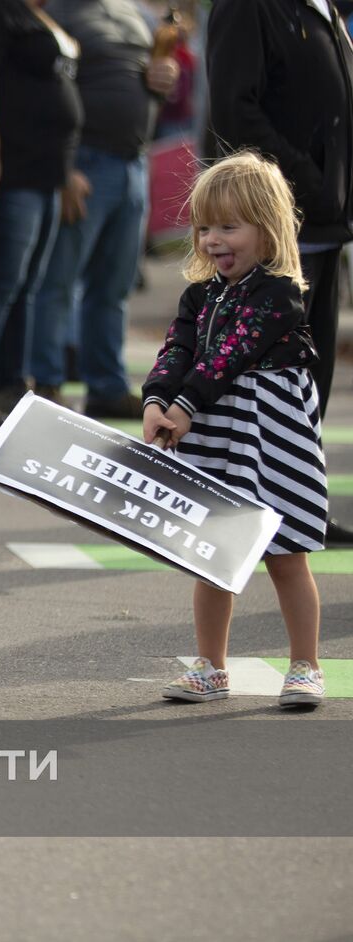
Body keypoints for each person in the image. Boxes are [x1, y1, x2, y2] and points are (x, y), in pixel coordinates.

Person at [141, 153, 326, 708]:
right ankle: (211, 667)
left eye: (228, 226)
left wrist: (185, 406)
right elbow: (179, 349)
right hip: (218, 434)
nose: (213, 240)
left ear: (267, 230)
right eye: (203, 227)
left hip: (270, 438)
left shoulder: (279, 294)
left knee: (285, 552)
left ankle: (305, 665)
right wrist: (156, 400)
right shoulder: (200, 295)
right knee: (214, 551)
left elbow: (228, 356)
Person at [206, 0, 353, 544]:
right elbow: (234, 109)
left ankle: (299, 507)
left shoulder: (323, 8)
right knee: (262, 379)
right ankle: (252, 509)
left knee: (308, 381)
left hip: (324, 221)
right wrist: (304, 184)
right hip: (278, 222)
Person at [29, 0, 178, 419]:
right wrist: (64, 166)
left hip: (133, 161)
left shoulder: (135, 15)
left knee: (113, 288)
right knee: (57, 282)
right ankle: (45, 382)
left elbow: (151, 83)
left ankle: (106, 387)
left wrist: (161, 79)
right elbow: (47, 93)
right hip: (86, 165)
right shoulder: (57, 12)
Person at [0, 0, 81, 434]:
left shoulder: (38, 14)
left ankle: (11, 386)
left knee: (24, 288)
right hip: (14, 172)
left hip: (46, 174)